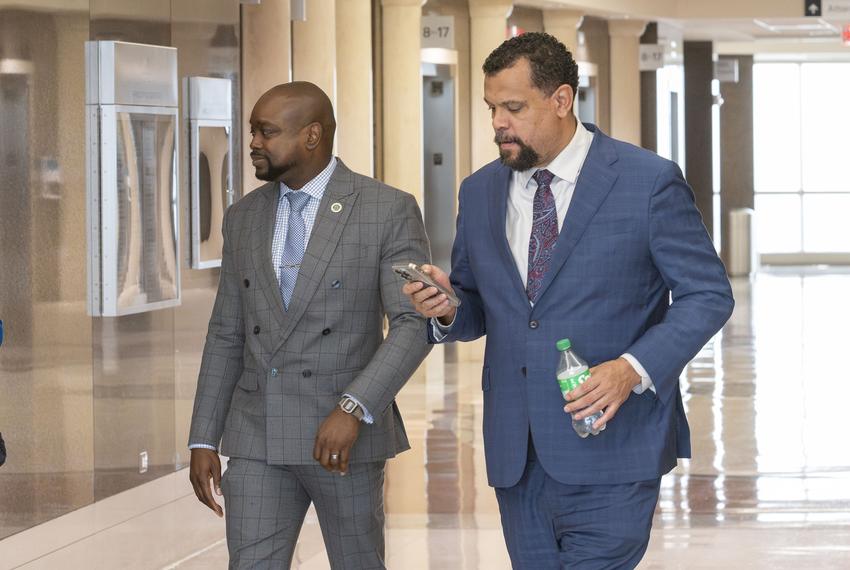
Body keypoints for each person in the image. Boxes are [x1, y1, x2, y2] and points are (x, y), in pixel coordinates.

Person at [403, 33, 734, 569]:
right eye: (492, 108)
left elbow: (708, 295)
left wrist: (632, 368)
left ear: (561, 100)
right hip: (518, 458)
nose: (498, 124)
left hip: (614, 449)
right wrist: (447, 308)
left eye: (513, 107)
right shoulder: (480, 191)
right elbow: (478, 306)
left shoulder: (647, 182)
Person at [189, 81, 432, 569]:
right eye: (253, 131)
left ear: (312, 135)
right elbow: (226, 333)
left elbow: (412, 324)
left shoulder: (386, 209)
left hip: (342, 438)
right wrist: (203, 437)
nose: (253, 142)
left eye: (267, 131)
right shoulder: (243, 217)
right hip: (258, 435)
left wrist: (354, 407)